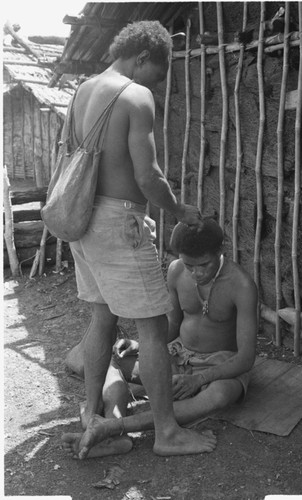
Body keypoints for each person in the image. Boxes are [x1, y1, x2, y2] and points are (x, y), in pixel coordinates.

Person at [64, 19, 215, 458]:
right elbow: (146, 175)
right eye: (160, 74)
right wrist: (179, 211)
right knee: (151, 328)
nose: (159, 85)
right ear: (145, 57)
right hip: (118, 222)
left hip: (81, 221)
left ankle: (92, 419)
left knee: (102, 318)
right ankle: (167, 433)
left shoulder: (83, 90)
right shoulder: (135, 95)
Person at [62, 219, 258, 459]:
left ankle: (113, 427)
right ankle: (113, 423)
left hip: (217, 366)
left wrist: (200, 379)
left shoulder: (242, 285)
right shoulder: (176, 271)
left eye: (204, 264)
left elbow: (246, 358)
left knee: (220, 395)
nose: (196, 273)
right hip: (178, 357)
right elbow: (172, 325)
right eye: (189, 265)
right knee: (106, 359)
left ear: (220, 251)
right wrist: (141, 346)